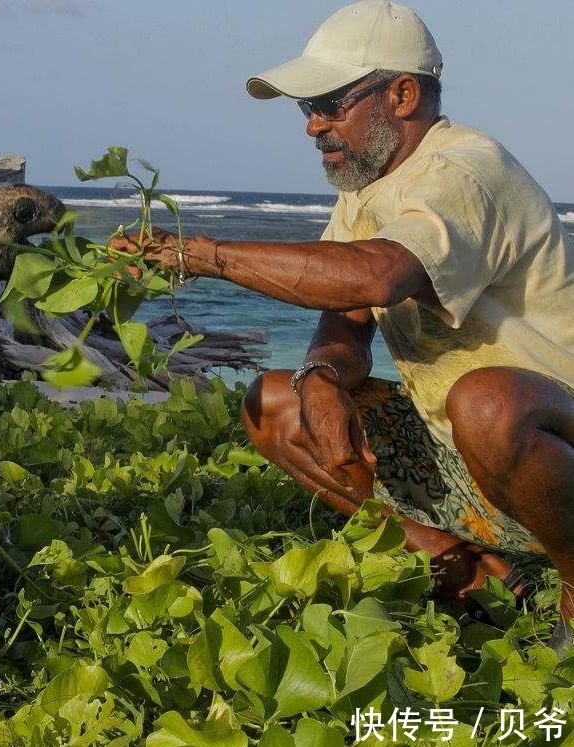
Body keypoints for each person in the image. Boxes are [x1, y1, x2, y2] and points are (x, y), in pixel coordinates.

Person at [110, 0, 574, 641]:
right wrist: (323, 374)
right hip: (462, 454)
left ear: (403, 95)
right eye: (307, 109)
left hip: (550, 445)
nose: (313, 127)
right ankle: (472, 570)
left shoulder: (465, 171)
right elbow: (348, 313)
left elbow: (377, 274)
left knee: (488, 399)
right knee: (280, 402)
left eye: (329, 104)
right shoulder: (365, 191)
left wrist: (201, 255)